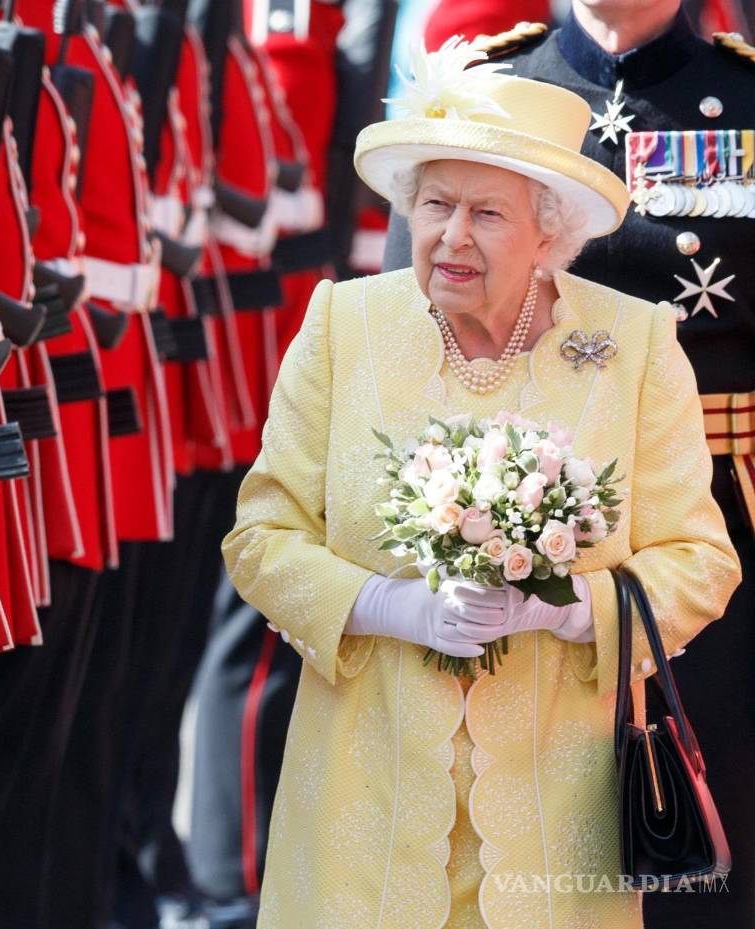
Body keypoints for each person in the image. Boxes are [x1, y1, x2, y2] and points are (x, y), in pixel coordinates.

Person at [222, 43, 741, 929]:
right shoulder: (345, 323)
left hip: (555, 827)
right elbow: (260, 536)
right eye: (434, 205)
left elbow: (702, 559)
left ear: (552, 233)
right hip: (363, 824)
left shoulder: (636, 345)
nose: (451, 236)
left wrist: (572, 606)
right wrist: (387, 605)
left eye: (486, 215)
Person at [386, 6, 755, 925]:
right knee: (535, 845)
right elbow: (419, 317)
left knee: (707, 838)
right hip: (515, 521)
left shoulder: (747, 94)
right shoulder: (486, 88)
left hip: (713, 513)